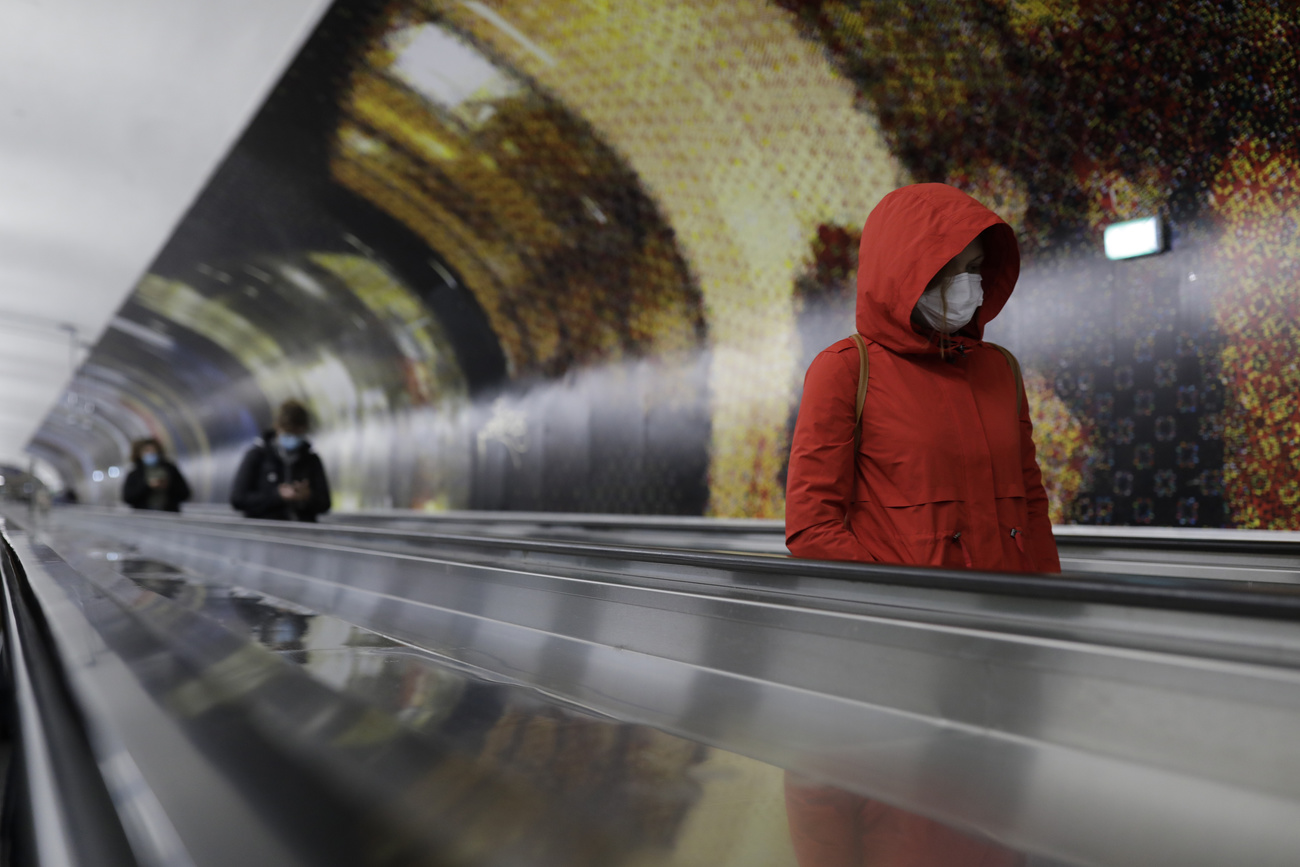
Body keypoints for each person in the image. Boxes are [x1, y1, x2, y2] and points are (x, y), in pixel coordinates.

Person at [783, 183, 1060, 867]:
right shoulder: (846, 371)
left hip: (1004, 665)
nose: (965, 289)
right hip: (895, 675)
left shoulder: (999, 370)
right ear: (901, 272)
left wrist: (1054, 623)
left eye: (973, 270)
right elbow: (812, 525)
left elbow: (1028, 498)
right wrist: (903, 618)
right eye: (947, 273)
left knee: (1000, 829)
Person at [230, 399, 331, 522]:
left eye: (297, 433)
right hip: (264, 532)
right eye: (288, 432)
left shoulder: (311, 460)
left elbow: (325, 504)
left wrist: (307, 497)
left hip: (302, 533)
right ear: (278, 427)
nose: (292, 438)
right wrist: (277, 496)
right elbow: (238, 499)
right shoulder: (257, 455)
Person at [122, 438, 191, 512]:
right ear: (139, 453)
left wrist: (168, 485)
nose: (151, 453)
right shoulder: (135, 474)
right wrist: (147, 486)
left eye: (154, 450)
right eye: (147, 451)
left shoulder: (170, 470)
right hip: (144, 516)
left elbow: (185, 493)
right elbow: (128, 497)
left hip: (169, 514)